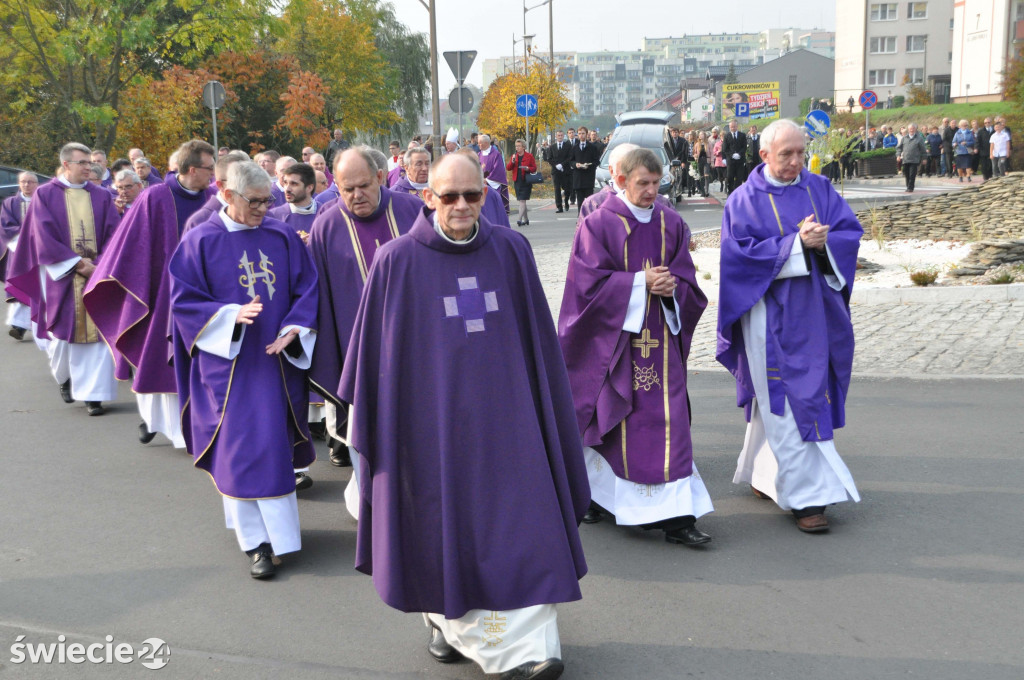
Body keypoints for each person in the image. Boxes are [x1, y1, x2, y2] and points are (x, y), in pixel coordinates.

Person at [339, 153, 589, 680]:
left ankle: (525, 650)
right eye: (448, 196)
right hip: (431, 430)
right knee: (439, 527)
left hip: (511, 425)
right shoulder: (397, 262)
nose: (460, 206)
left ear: (486, 195)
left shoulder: (512, 251)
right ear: (427, 196)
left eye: (472, 196)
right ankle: (442, 621)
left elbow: (538, 346)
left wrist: (545, 417)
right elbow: (375, 363)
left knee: (525, 524)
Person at [169, 160, 318, 579]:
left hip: (273, 361)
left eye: (267, 201)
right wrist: (230, 316)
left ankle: (282, 537)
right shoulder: (199, 241)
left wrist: (295, 328)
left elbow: (308, 286)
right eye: (254, 202)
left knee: (271, 448)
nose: (263, 210)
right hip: (230, 368)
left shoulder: (282, 234)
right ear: (227, 194)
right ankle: (256, 543)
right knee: (240, 453)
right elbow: (182, 302)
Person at [559, 147, 711, 545]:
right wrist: (640, 284)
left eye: (656, 184)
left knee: (671, 420)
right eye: (643, 183)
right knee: (615, 421)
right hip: (616, 345)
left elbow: (688, 281)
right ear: (622, 180)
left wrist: (672, 288)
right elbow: (585, 286)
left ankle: (679, 517)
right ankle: (606, 498)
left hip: (662, 339)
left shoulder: (672, 223)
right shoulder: (598, 225)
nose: (650, 191)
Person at [716, 119, 861, 533]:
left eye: (801, 153)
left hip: (815, 310)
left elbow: (849, 232)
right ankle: (807, 498)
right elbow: (736, 257)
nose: (796, 162)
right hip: (766, 313)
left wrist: (826, 241)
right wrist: (795, 245)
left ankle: (765, 471)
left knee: (807, 387)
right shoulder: (743, 201)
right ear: (764, 155)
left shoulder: (819, 188)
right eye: (786, 155)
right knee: (783, 395)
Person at [83, 139, 216, 445]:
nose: (213, 174)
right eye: (209, 168)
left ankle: (197, 426)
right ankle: (157, 421)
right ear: (192, 168)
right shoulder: (156, 197)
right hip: (161, 293)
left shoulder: (212, 197)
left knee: (201, 362)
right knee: (159, 360)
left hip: (204, 294)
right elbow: (133, 243)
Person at [307, 147, 421, 478]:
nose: (356, 196)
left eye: (363, 186)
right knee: (364, 429)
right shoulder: (326, 227)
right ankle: (368, 498)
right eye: (347, 189)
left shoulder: (414, 211)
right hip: (356, 351)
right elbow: (317, 296)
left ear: (381, 177)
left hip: (417, 345)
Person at [5, 143, 120, 415]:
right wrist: (78, 264)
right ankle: (65, 377)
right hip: (61, 274)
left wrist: (100, 264)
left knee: (98, 334)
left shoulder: (101, 196)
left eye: (89, 162)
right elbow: (41, 236)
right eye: (81, 162)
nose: (88, 167)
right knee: (62, 335)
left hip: (97, 273)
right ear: (66, 164)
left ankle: (95, 396)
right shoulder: (45, 195)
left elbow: (116, 234)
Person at [1, 171, 39, 340]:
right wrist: (25, 237)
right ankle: (19, 326)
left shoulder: (43, 201)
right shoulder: (10, 203)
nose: (26, 185)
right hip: (18, 252)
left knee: (39, 287)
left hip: (41, 251)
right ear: (18, 184)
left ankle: (35, 324)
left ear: (37, 184)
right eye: (23, 182)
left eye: (30, 182)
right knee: (20, 285)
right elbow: (5, 227)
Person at [183, 151, 250, 233]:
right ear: (221, 185)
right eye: (239, 181)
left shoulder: (261, 215)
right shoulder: (200, 221)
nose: (248, 185)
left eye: (250, 179)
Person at [268, 162, 318, 241]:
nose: (287, 189)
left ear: (309, 188)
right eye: (285, 183)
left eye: (294, 184)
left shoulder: (326, 213)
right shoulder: (274, 216)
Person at [506, 138, 537, 227]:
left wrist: (528, 168)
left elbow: (534, 168)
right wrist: (512, 161)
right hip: (517, 180)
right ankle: (526, 219)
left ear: (523, 147)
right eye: (516, 146)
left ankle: (519, 219)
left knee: (522, 200)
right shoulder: (514, 156)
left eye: (519, 146)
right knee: (521, 201)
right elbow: (508, 168)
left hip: (526, 181)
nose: (517, 148)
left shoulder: (529, 156)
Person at [477, 134, 509, 214]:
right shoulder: (479, 154)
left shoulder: (496, 154)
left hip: (492, 185)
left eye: (480, 143)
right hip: (481, 186)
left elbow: (498, 170)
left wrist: (486, 179)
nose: (478, 145)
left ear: (486, 143)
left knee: (493, 209)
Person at [570, 126, 600, 210]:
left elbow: (597, 161)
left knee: (590, 201)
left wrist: (589, 165)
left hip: (588, 178)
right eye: (579, 134)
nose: (581, 135)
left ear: (587, 135)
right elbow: (571, 161)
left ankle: (589, 218)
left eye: (583, 133)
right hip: (578, 177)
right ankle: (580, 218)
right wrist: (576, 164)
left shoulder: (592, 148)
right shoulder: (574, 147)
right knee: (580, 201)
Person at [547, 130, 573, 213]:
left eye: (561, 135)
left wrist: (562, 165)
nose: (560, 137)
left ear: (563, 136)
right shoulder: (552, 147)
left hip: (565, 170)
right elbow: (549, 158)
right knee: (557, 188)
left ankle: (566, 201)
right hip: (556, 171)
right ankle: (559, 206)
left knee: (567, 188)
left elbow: (570, 157)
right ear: (556, 136)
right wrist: (556, 166)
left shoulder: (568, 146)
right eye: (558, 135)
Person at [896, 124, 927, 193]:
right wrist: (898, 155)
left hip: (915, 160)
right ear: (908, 129)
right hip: (906, 159)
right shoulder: (904, 138)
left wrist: (924, 158)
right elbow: (899, 148)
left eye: (913, 128)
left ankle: (910, 187)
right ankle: (908, 186)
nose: (911, 130)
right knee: (906, 174)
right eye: (910, 129)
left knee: (912, 174)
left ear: (915, 129)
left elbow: (923, 149)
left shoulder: (919, 138)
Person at [723, 120, 747, 194]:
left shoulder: (742, 135)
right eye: (731, 127)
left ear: (737, 126)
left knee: (739, 177)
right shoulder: (727, 136)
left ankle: (738, 192)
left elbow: (744, 147)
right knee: (730, 177)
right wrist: (732, 155)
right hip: (731, 160)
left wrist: (739, 154)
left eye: (734, 126)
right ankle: (730, 192)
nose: (733, 128)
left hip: (740, 160)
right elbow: (725, 148)